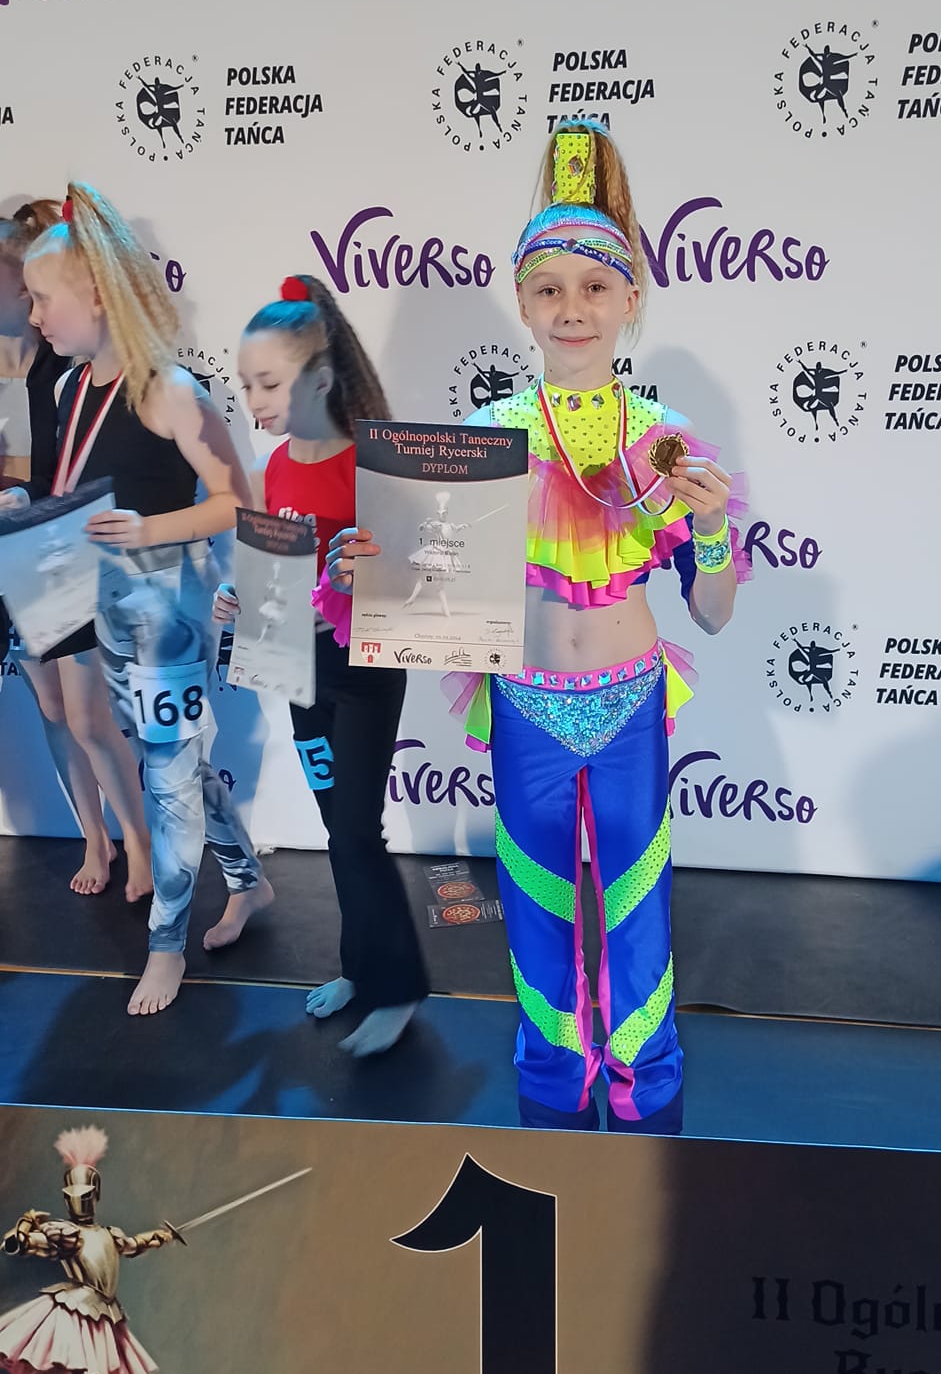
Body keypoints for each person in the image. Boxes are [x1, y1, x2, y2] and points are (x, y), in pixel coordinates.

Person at [323, 122, 744, 1131]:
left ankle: (647, 1092)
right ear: (521, 302)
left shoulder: (666, 442)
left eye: (595, 287)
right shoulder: (488, 437)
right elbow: (436, 587)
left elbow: (713, 611)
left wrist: (713, 529)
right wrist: (368, 572)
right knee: (538, 912)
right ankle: (554, 1085)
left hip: (631, 706)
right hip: (526, 709)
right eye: (549, 289)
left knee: (638, 912)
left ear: (631, 299)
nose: (572, 308)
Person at [22, 183, 271, 1016]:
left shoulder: (169, 389)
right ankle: (250, 882)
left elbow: (236, 502)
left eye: (43, 298)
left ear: (97, 295)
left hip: (170, 619)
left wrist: (149, 529)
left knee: (167, 778)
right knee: (180, 769)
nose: (34, 316)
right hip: (105, 613)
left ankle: (166, 946)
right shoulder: (69, 390)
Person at [213, 274, 429, 1057]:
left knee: (357, 832)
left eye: (268, 383)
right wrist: (241, 599)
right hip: (300, 671)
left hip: (364, 670)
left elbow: (415, 581)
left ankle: (399, 987)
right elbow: (279, 573)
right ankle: (359, 970)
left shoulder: (372, 466)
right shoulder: (274, 467)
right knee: (339, 828)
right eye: (246, 384)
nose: (254, 400)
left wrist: (357, 577)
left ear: (320, 379)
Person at [0, 201, 152, 900]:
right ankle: (95, 836)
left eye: (39, 295)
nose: (36, 312)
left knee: (85, 713)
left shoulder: (64, 370)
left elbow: (70, 471)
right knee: (53, 710)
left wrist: (29, 502)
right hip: (20, 551)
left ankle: (135, 838)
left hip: (59, 547)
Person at [0, 1126, 177, 1374]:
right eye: (73, 1196)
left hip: (99, 1326)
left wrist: (162, 1236)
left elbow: (133, 1245)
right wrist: (24, 1229)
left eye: (83, 1195)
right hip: (74, 1321)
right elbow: (22, 1245)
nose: (78, 1201)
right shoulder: (66, 1234)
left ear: (94, 1194)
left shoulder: (108, 1235)